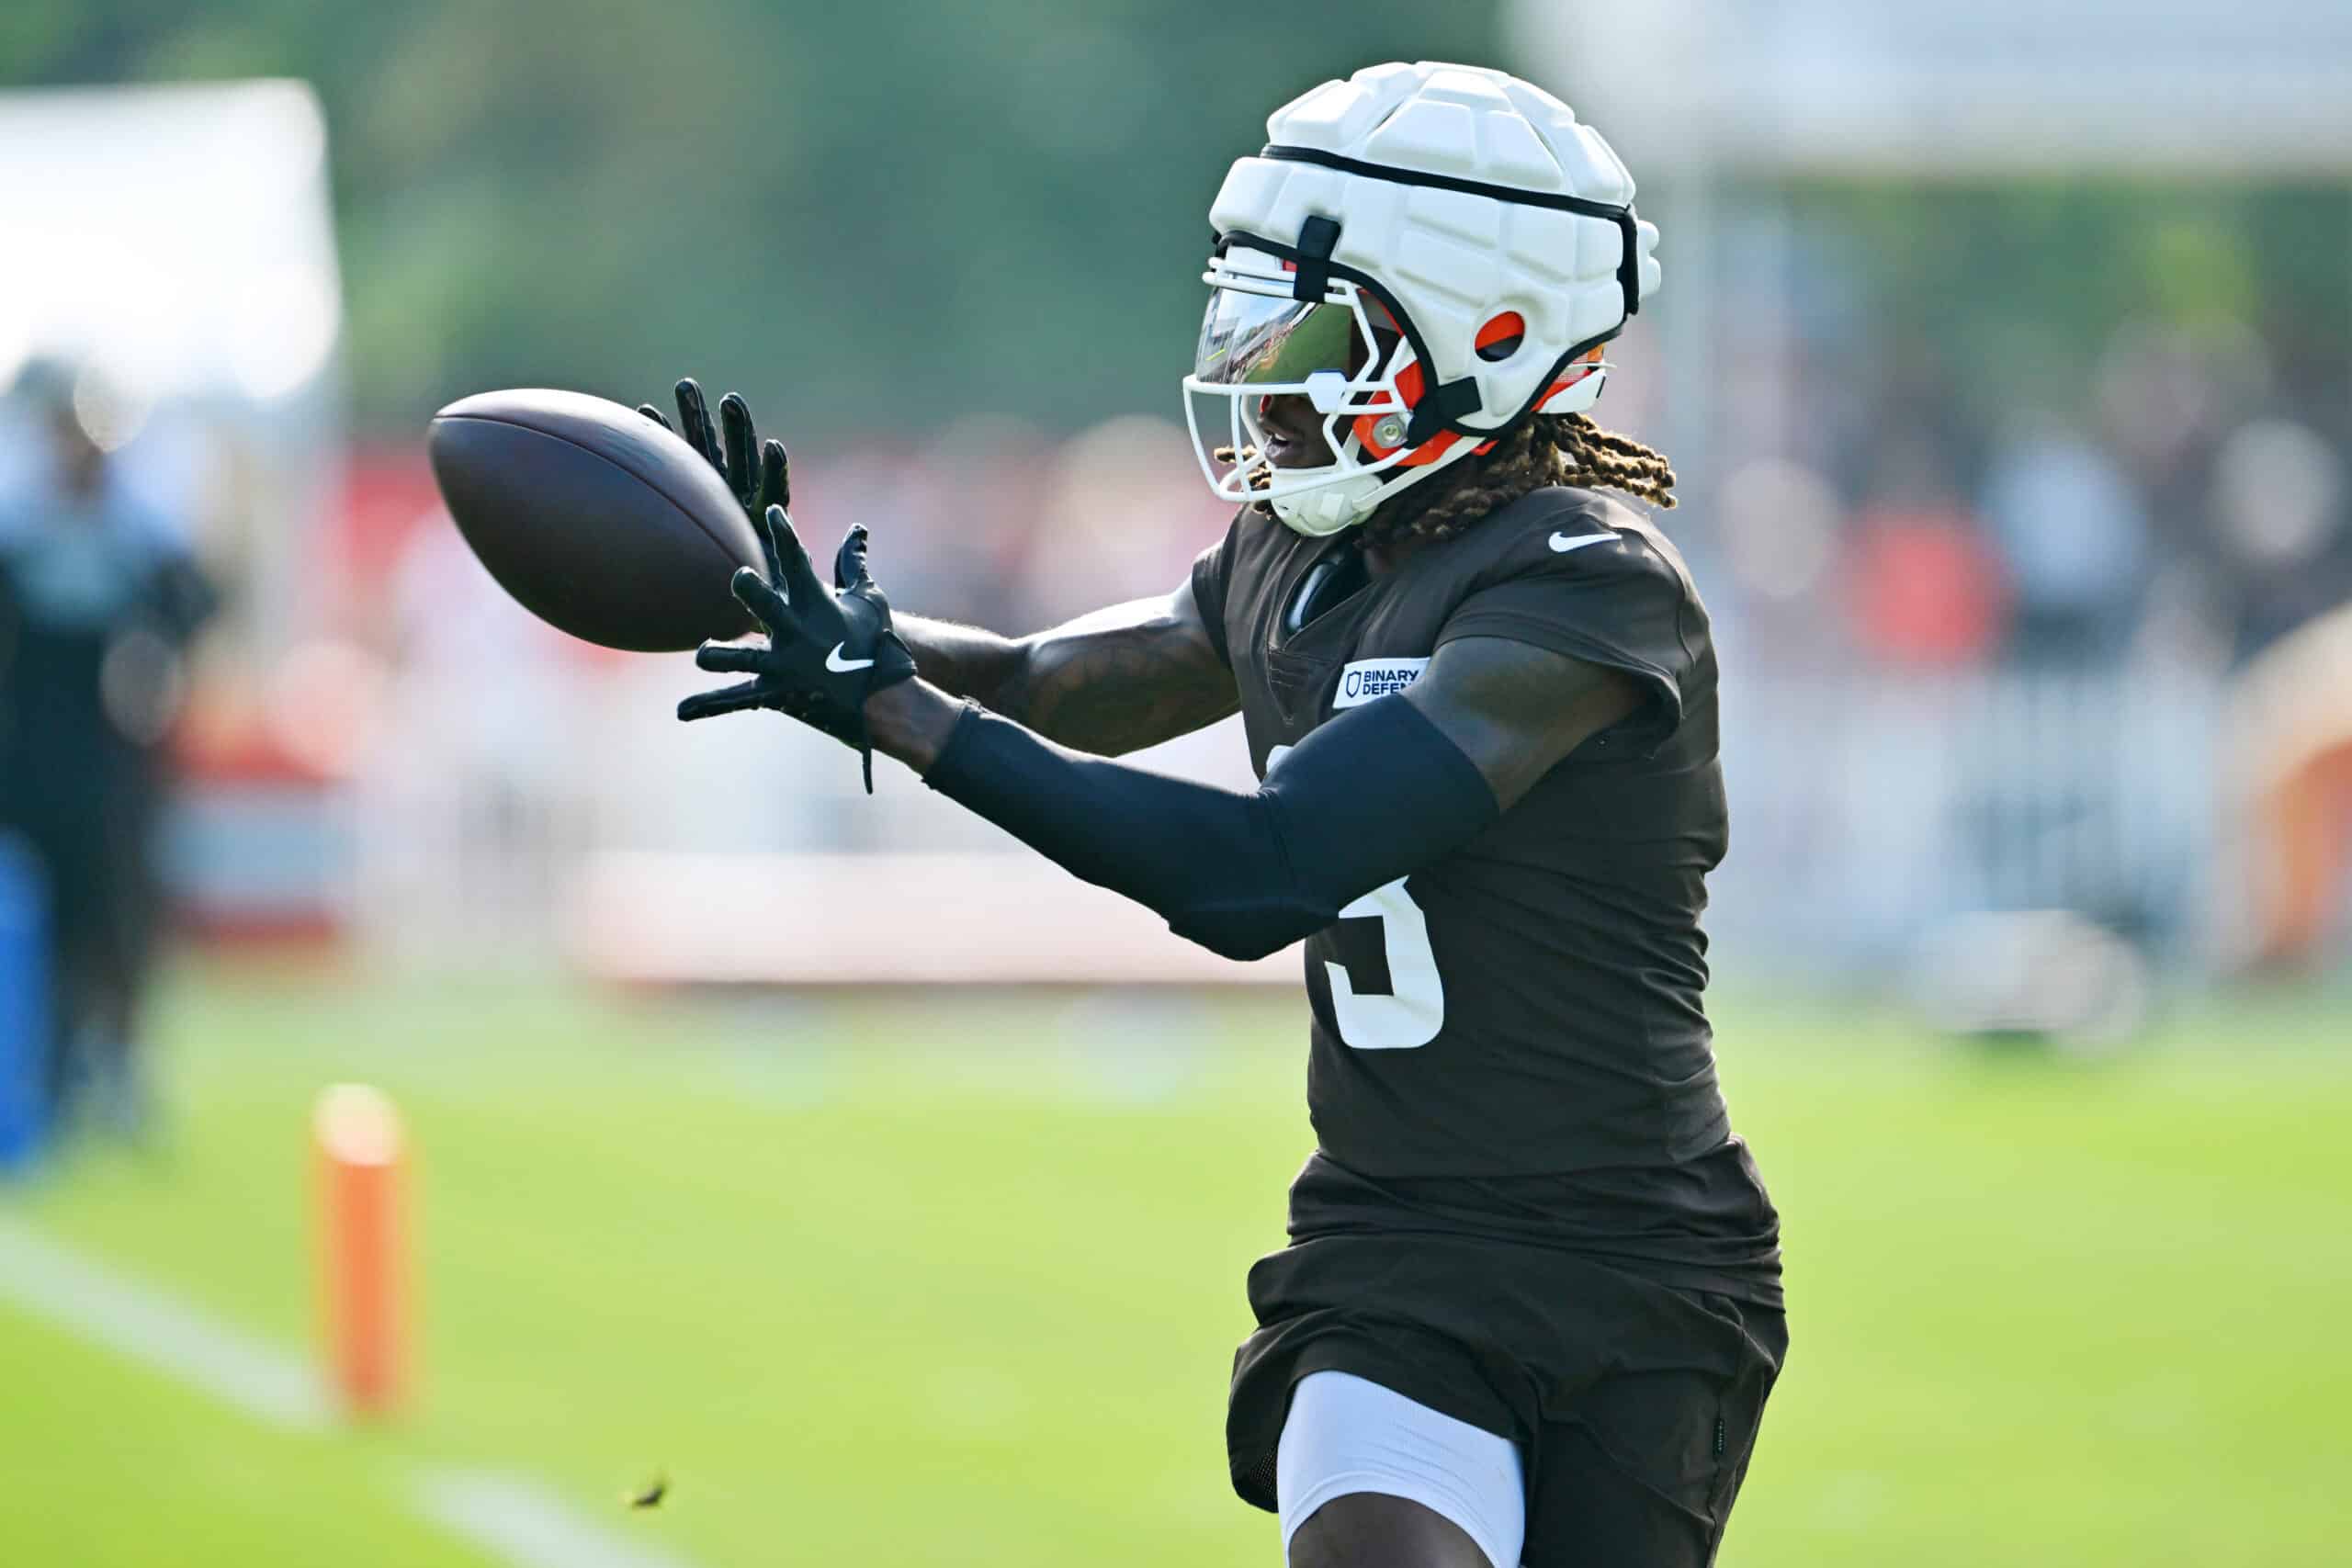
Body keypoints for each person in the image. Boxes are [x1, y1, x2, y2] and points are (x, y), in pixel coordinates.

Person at [656, 62, 1783, 1568]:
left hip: (1636, 1271)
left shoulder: (1582, 582)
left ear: (1490, 333)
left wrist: (895, 716)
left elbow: (1268, 869)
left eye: (1310, 323)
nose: (1259, 360)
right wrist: (829, 628)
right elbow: (1060, 680)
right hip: (1391, 1252)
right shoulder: (1298, 551)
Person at [0, 367, 214, 1139]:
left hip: (115, 768)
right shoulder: (21, 529)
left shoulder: (138, 532)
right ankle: (41, 1065)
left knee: (120, 920)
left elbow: (193, 608)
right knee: (38, 919)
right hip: (28, 763)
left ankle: (114, 1059)